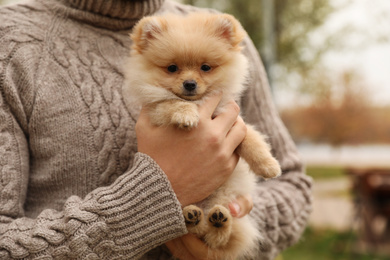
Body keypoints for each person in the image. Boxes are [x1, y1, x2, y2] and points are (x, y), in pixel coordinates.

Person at [0, 0, 312, 259]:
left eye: (205, 68)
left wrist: (237, 216)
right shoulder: (9, 41)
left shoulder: (216, 29)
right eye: (173, 69)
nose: (190, 80)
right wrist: (152, 203)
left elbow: (292, 185)